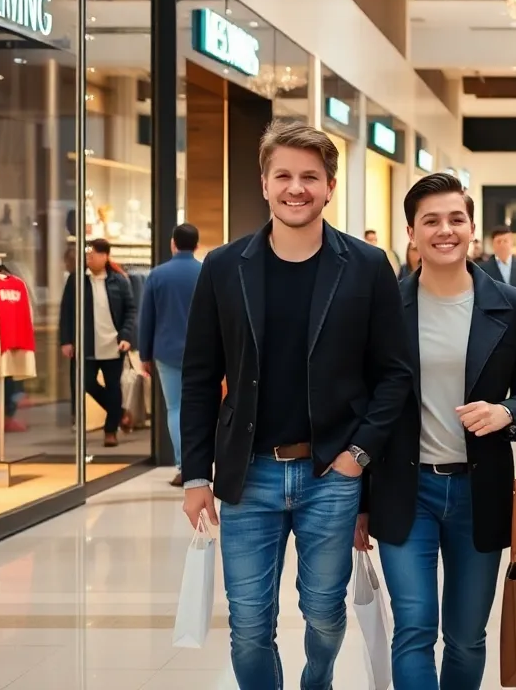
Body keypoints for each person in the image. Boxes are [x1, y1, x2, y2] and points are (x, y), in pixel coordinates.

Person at [178, 120, 412, 690]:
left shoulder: (364, 265)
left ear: (330, 186)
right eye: (283, 175)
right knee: (249, 624)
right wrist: (193, 476)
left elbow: (394, 373)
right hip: (246, 474)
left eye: (310, 176)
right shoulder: (224, 267)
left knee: (325, 614)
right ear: (264, 184)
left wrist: (359, 454)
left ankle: (318, 679)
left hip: (329, 471)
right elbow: (200, 377)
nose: (296, 187)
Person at [355, 173, 516, 689]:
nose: (445, 230)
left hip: (478, 491)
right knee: (414, 628)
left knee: (466, 636)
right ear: (411, 232)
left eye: (455, 219)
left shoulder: (511, 305)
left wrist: (508, 413)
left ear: (472, 227)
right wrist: (359, 503)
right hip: (403, 489)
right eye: (430, 221)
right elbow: (361, 406)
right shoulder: (383, 309)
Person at [137, 223, 203, 485]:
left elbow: (147, 318)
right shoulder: (206, 272)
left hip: (166, 352)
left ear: (173, 244)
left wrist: (144, 354)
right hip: (202, 353)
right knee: (202, 409)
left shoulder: (157, 275)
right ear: (196, 245)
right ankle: (203, 463)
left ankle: (184, 466)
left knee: (176, 408)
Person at [59, 238, 136, 447]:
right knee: (85, 383)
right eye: (86, 255)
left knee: (113, 387)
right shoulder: (76, 280)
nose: (88, 259)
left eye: (92, 255)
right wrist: (66, 340)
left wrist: (126, 336)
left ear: (104, 256)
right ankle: (119, 412)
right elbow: (66, 311)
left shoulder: (119, 281)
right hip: (85, 345)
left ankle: (110, 431)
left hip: (113, 344)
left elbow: (130, 310)